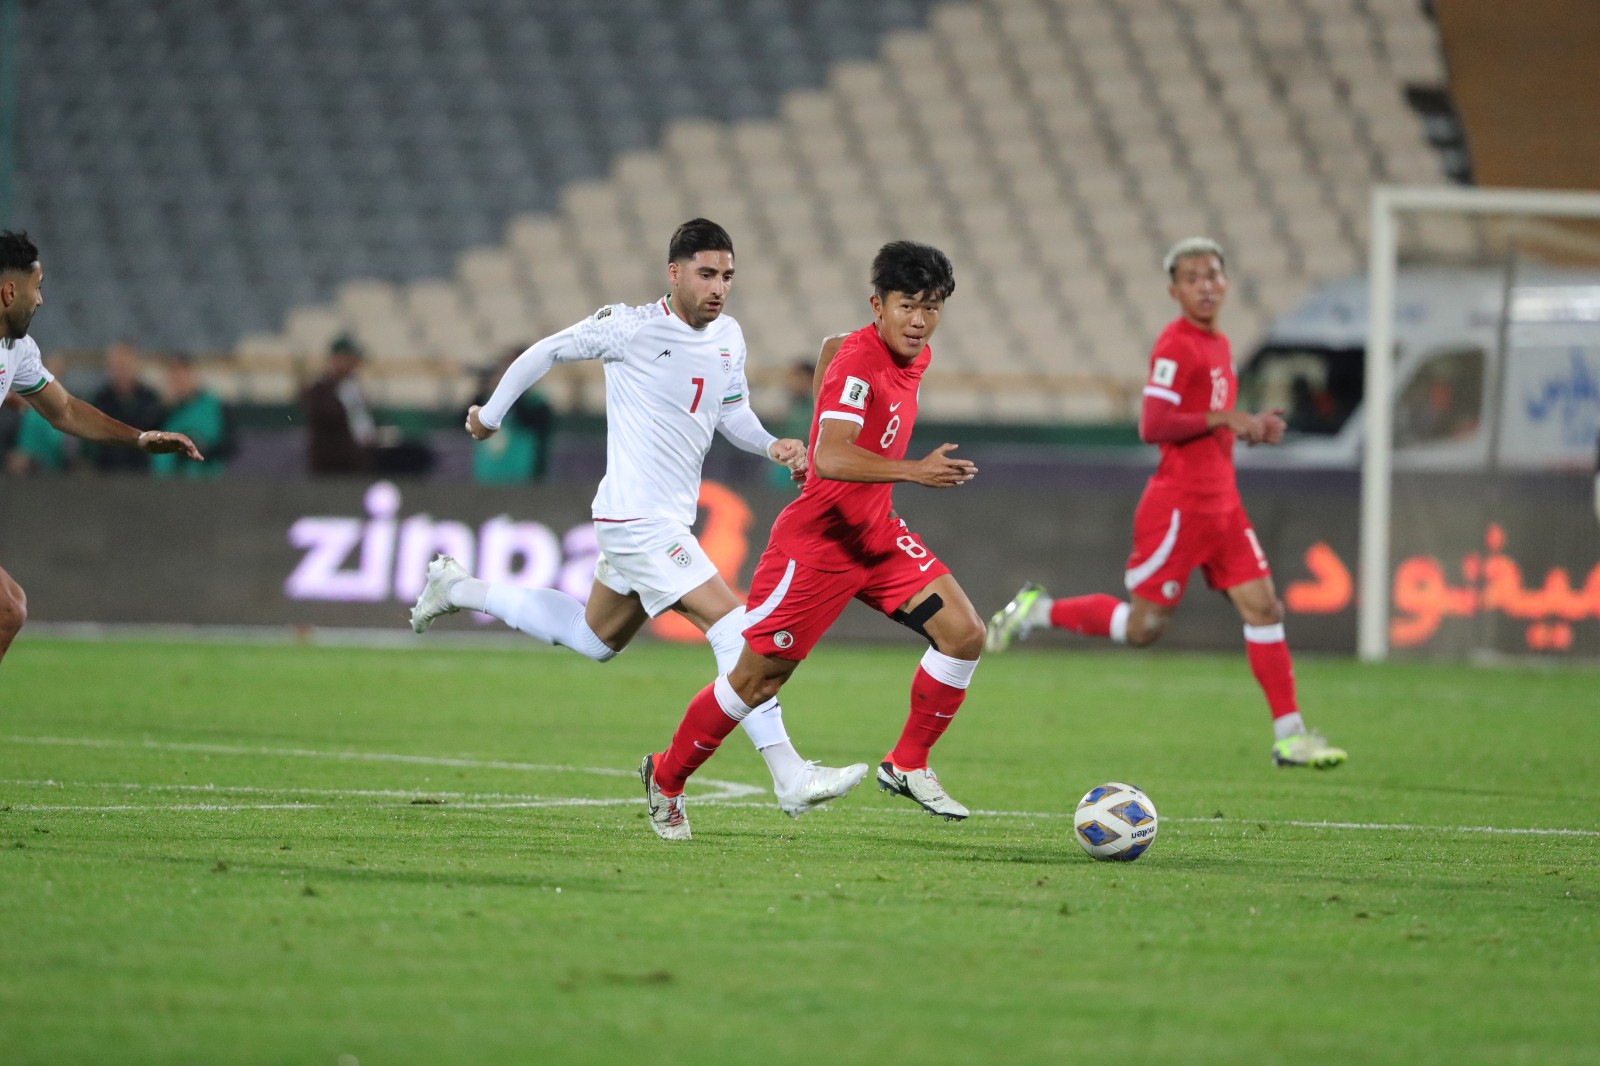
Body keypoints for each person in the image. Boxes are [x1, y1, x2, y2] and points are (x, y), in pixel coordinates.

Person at [408, 218, 867, 817]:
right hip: (637, 520)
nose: (719, 287)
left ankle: (456, 588)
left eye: (727, 276)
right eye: (706, 274)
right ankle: (789, 775)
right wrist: (490, 415)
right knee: (735, 627)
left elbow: (731, 412)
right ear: (674, 272)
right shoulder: (631, 327)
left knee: (594, 639)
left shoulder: (729, 337)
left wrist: (771, 445)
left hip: (659, 521)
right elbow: (547, 350)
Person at [638, 240, 985, 842]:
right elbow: (832, 454)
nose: (919, 321)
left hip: (876, 533)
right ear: (878, 305)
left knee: (964, 634)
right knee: (756, 681)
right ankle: (665, 777)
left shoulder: (904, 351)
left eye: (931, 307)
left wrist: (822, 427)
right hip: (818, 546)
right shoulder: (860, 364)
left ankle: (907, 763)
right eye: (906, 306)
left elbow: (829, 346)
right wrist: (912, 470)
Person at [986, 237, 1346, 770]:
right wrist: (1226, 419)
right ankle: (1038, 610)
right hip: (1179, 509)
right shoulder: (1176, 346)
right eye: (1192, 278)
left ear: (1226, 282)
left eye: (1213, 275)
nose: (1205, 286)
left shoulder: (1219, 345)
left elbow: (1207, 422)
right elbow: (1152, 424)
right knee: (1143, 630)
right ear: (1174, 291)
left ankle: (1290, 737)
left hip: (1223, 506)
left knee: (1264, 608)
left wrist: (1246, 428)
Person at [0, 231, 202, 668]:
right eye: (37, 287)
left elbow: (66, 410)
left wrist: (139, 438)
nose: (41, 300)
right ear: (9, 292)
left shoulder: (17, 350)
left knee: (8, 610)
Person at [299, 334, 434, 476]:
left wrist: (376, 434)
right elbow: (329, 421)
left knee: (417, 454)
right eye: (351, 359)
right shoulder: (322, 389)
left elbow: (362, 424)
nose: (355, 365)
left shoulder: (352, 387)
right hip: (337, 463)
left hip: (361, 456)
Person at [471, 345, 554, 484]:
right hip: (487, 475)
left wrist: (514, 388)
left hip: (520, 477)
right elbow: (463, 420)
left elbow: (531, 422)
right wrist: (482, 388)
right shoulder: (488, 399)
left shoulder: (537, 403)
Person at [88, 341, 166, 473]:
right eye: (117, 367)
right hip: (107, 473)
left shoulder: (151, 401)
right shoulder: (100, 400)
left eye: (125, 366)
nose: (121, 372)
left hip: (142, 472)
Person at [151, 352, 229, 479]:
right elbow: (145, 435)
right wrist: (164, 407)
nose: (179, 380)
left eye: (182, 373)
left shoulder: (211, 405)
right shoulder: (159, 407)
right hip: (165, 479)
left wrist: (203, 449)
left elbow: (228, 443)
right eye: (174, 374)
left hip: (204, 477)